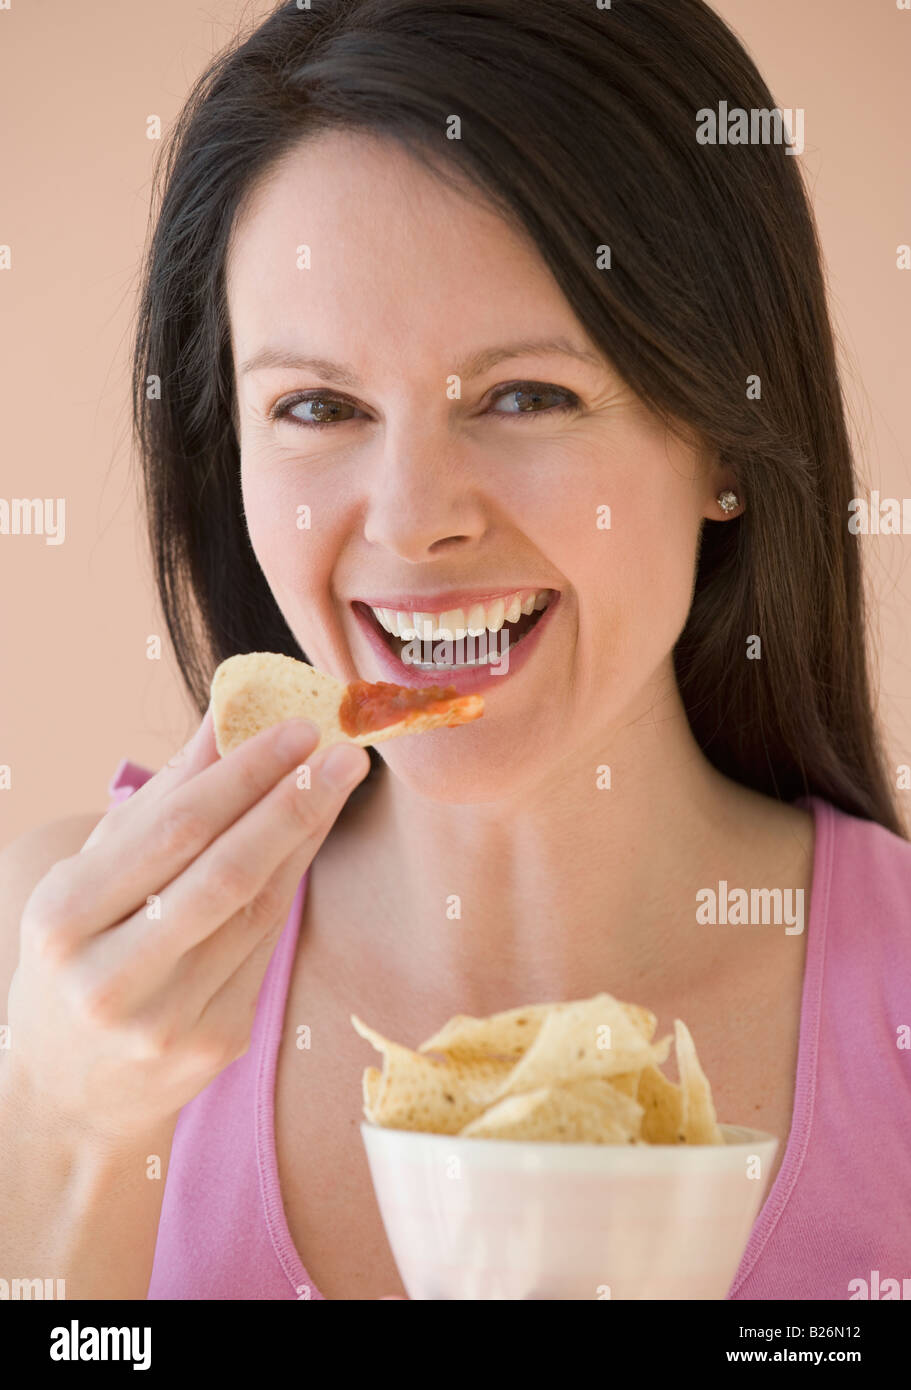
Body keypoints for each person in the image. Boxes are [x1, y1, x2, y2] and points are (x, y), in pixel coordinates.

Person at [1, 0, 908, 1302]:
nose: (417, 516)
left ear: (725, 438)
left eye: (526, 395)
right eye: (317, 405)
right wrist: (72, 1136)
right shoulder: (49, 962)